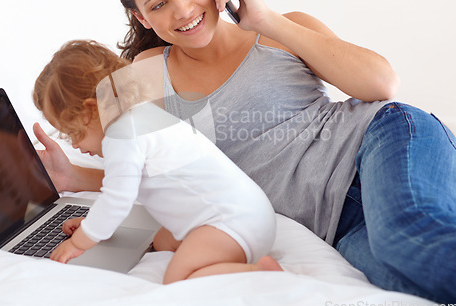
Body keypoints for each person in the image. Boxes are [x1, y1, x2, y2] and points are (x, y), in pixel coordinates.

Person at [33, 0, 456, 303]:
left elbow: (382, 85)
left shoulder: (281, 27)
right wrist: (75, 176)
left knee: (407, 242)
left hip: (381, 142)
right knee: (402, 277)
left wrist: (268, 20)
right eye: (158, 4)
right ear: (140, 16)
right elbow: (151, 171)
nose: (182, 10)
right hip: (334, 219)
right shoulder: (140, 76)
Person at [32, 39, 282, 284]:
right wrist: (93, 223)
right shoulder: (141, 114)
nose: (74, 145)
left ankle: (258, 273)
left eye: (74, 134)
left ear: (90, 110)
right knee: (162, 241)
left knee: (178, 278)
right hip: (251, 214)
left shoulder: (121, 135)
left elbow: (117, 199)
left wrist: (80, 241)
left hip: (231, 224)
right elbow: (130, 192)